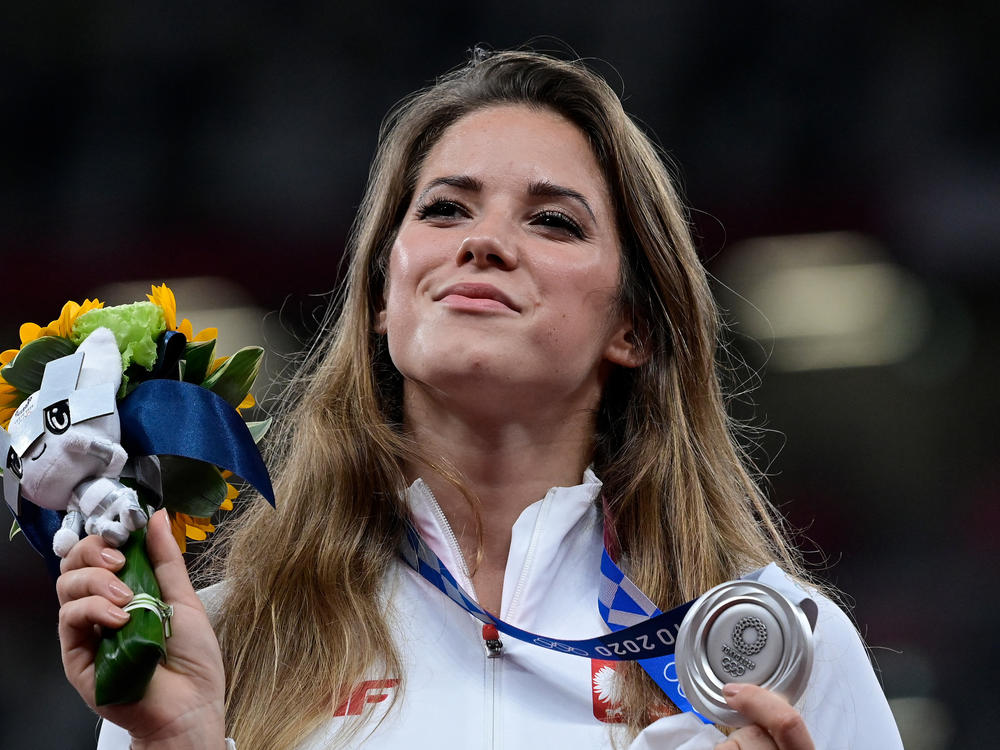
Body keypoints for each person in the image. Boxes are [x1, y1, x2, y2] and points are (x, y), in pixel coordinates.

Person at [55, 49, 903, 749]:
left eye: (554, 222)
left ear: (633, 328)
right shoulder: (220, 644)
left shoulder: (774, 650)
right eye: (446, 208)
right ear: (384, 296)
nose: (485, 242)